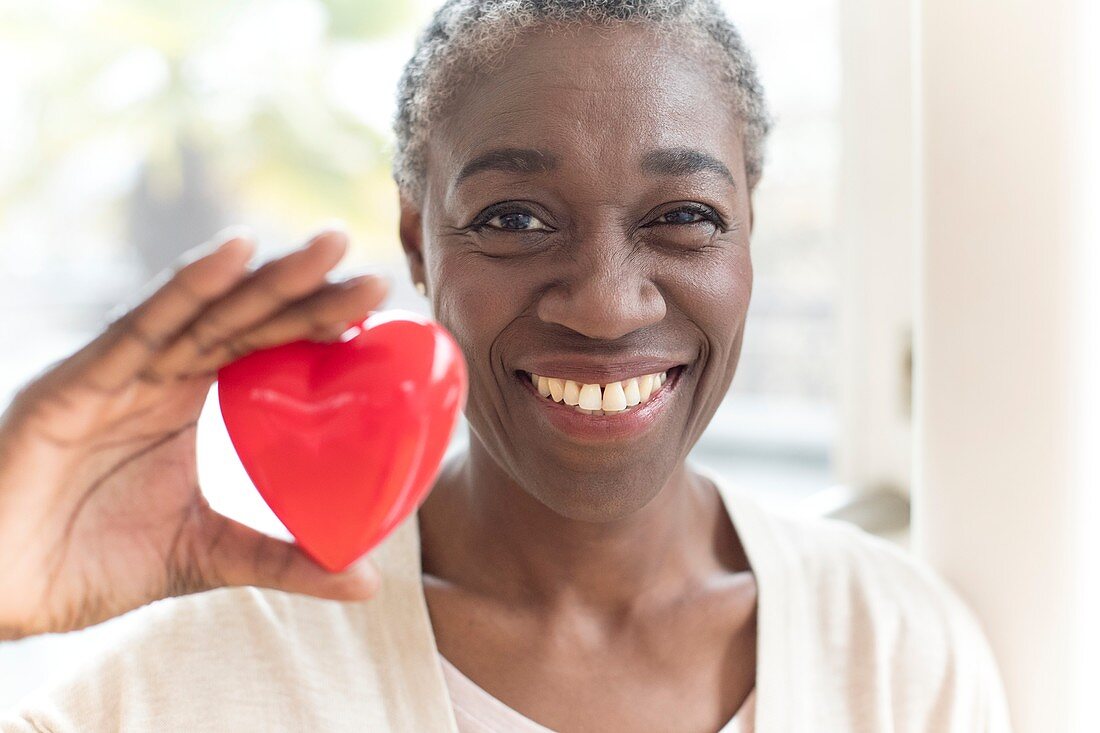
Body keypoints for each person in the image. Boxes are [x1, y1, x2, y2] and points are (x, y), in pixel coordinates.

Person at [0, 0, 1011, 731]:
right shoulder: (182, 689)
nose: (608, 303)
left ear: (750, 235)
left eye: (683, 218)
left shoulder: (890, 653)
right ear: (415, 243)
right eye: (513, 219)